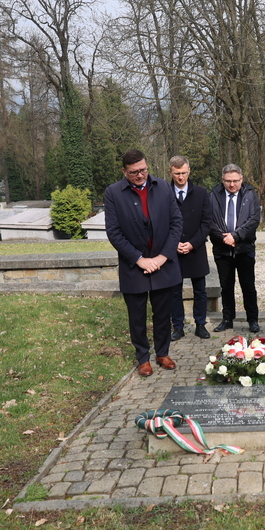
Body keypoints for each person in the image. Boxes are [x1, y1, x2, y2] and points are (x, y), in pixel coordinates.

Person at [104, 149, 182, 376]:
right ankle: (143, 357)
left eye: (143, 170)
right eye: (134, 172)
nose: (140, 175)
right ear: (124, 171)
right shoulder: (113, 193)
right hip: (134, 266)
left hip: (162, 263)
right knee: (137, 316)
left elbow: (176, 223)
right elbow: (114, 232)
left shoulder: (163, 187)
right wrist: (139, 259)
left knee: (162, 312)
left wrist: (162, 257)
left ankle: (163, 353)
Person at [209, 164, 261, 334]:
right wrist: (223, 238)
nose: (232, 185)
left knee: (248, 286)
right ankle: (227, 319)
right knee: (226, 287)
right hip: (222, 250)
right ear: (222, 180)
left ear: (241, 179)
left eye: (235, 181)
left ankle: (252, 320)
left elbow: (254, 220)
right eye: (228, 181)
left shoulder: (250, 195)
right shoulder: (213, 195)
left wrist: (236, 236)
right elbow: (208, 221)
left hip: (244, 248)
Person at [168, 156, 213, 341]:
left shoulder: (202, 193)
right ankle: (177, 326)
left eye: (184, 173)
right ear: (170, 171)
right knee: (174, 291)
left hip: (196, 249)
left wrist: (193, 243)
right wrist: (174, 243)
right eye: (177, 173)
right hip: (173, 250)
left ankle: (200, 324)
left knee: (200, 291)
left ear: (189, 171)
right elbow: (161, 222)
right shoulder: (164, 193)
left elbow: (206, 222)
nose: (181, 177)